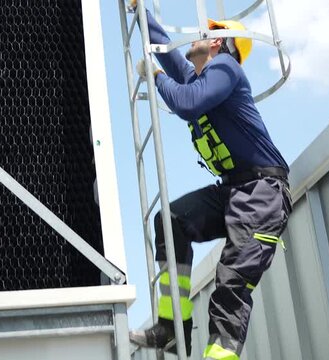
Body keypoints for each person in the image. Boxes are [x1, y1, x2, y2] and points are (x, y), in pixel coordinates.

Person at [127, 3, 293, 360]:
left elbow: (187, 104)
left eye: (208, 33)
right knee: (171, 221)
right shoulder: (203, 78)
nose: (199, 35)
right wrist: (141, 12)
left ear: (220, 44)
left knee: (231, 280)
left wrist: (155, 78)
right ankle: (173, 328)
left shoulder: (227, 69)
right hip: (234, 190)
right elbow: (169, 53)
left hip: (262, 194)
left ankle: (220, 355)